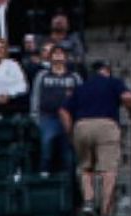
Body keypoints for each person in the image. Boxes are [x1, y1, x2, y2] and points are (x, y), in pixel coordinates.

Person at [61, 60, 131, 216]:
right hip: (106, 125)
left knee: (85, 167)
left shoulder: (80, 88)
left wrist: (71, 132)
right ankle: (106, 214)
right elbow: (128, 98)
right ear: (106, 70)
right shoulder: (113, 82)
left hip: (82, 126)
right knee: (108, 171)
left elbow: (63, 111)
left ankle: (88, 200)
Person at [30, 46, 81, 175]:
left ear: (65, 57)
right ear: (50, 57)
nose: (58, 56)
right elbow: (35, 96)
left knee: (67, 153)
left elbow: (82, 96)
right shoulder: (42, 75)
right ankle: (44, 176)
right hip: (47, 117)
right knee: (46, 147)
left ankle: (67, 182)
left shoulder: (74, 77)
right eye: (55, 53)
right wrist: (35, 116)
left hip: (69, 119)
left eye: (61, 53)